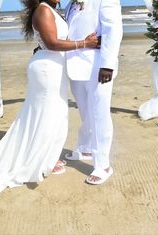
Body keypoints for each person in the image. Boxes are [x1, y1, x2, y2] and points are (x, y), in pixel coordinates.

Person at [0, 0, 99, 210]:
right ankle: (39, 160)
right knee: (47, 115)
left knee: (51, 114)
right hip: (48, 69)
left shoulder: (49, 10)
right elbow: (53, 43)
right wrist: (85, 43)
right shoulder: (43, 11)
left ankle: (45, 156)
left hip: (53, 66)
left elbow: (46, 42)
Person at [64, 0, 123, 185]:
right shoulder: (70, 5)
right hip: (75, 66)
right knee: (85, 111)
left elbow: (113, 30)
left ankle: (103, 165)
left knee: (99, 114)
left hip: (97, 67)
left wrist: (107, 65)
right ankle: (86, 148)